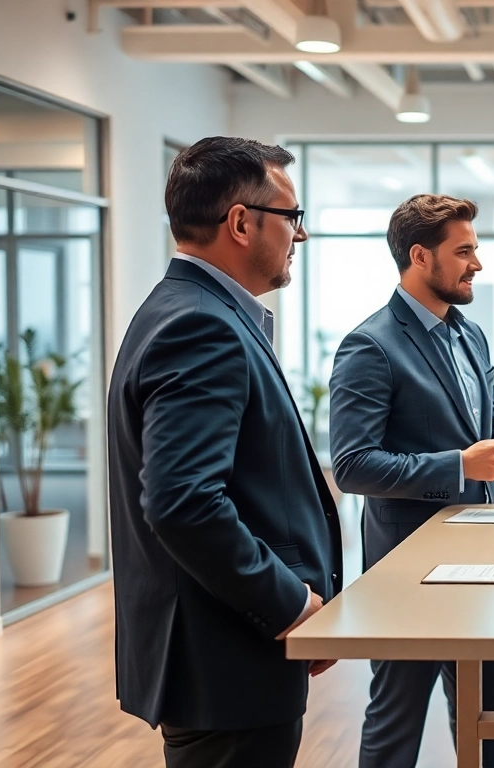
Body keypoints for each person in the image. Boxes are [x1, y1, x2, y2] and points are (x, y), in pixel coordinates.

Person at [107, 136, 341, 768]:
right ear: (241, 222)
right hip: (227, 660)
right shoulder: (200, 325)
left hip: (228, 657)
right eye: (293, 218)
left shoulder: (188, 310)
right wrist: (289, 603)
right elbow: (184, 502)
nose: (302, 235)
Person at [328, 194, 494, 768]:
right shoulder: (370, 346)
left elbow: (487, 428)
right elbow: (354, 465)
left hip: (485, 563)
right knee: (398, 718)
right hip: (408, 570)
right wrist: (461, 464)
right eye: (464, 251)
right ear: (420, 256)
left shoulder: (470, 336)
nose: (477, 263)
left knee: (492, 703)